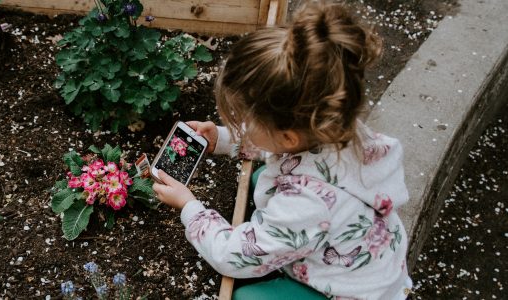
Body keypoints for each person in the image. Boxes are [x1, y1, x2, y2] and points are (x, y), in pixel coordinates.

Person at [152, 1, 412, 299]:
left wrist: (190, 208)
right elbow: (275, 145)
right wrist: (222, 140)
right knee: (264, 174)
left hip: (348, 292)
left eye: (246, 119)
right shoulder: (332, 125)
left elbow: (232, 256)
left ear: (288, 137)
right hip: (368, 261)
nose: (240, 123)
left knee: (247, 298)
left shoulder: (306, 203)